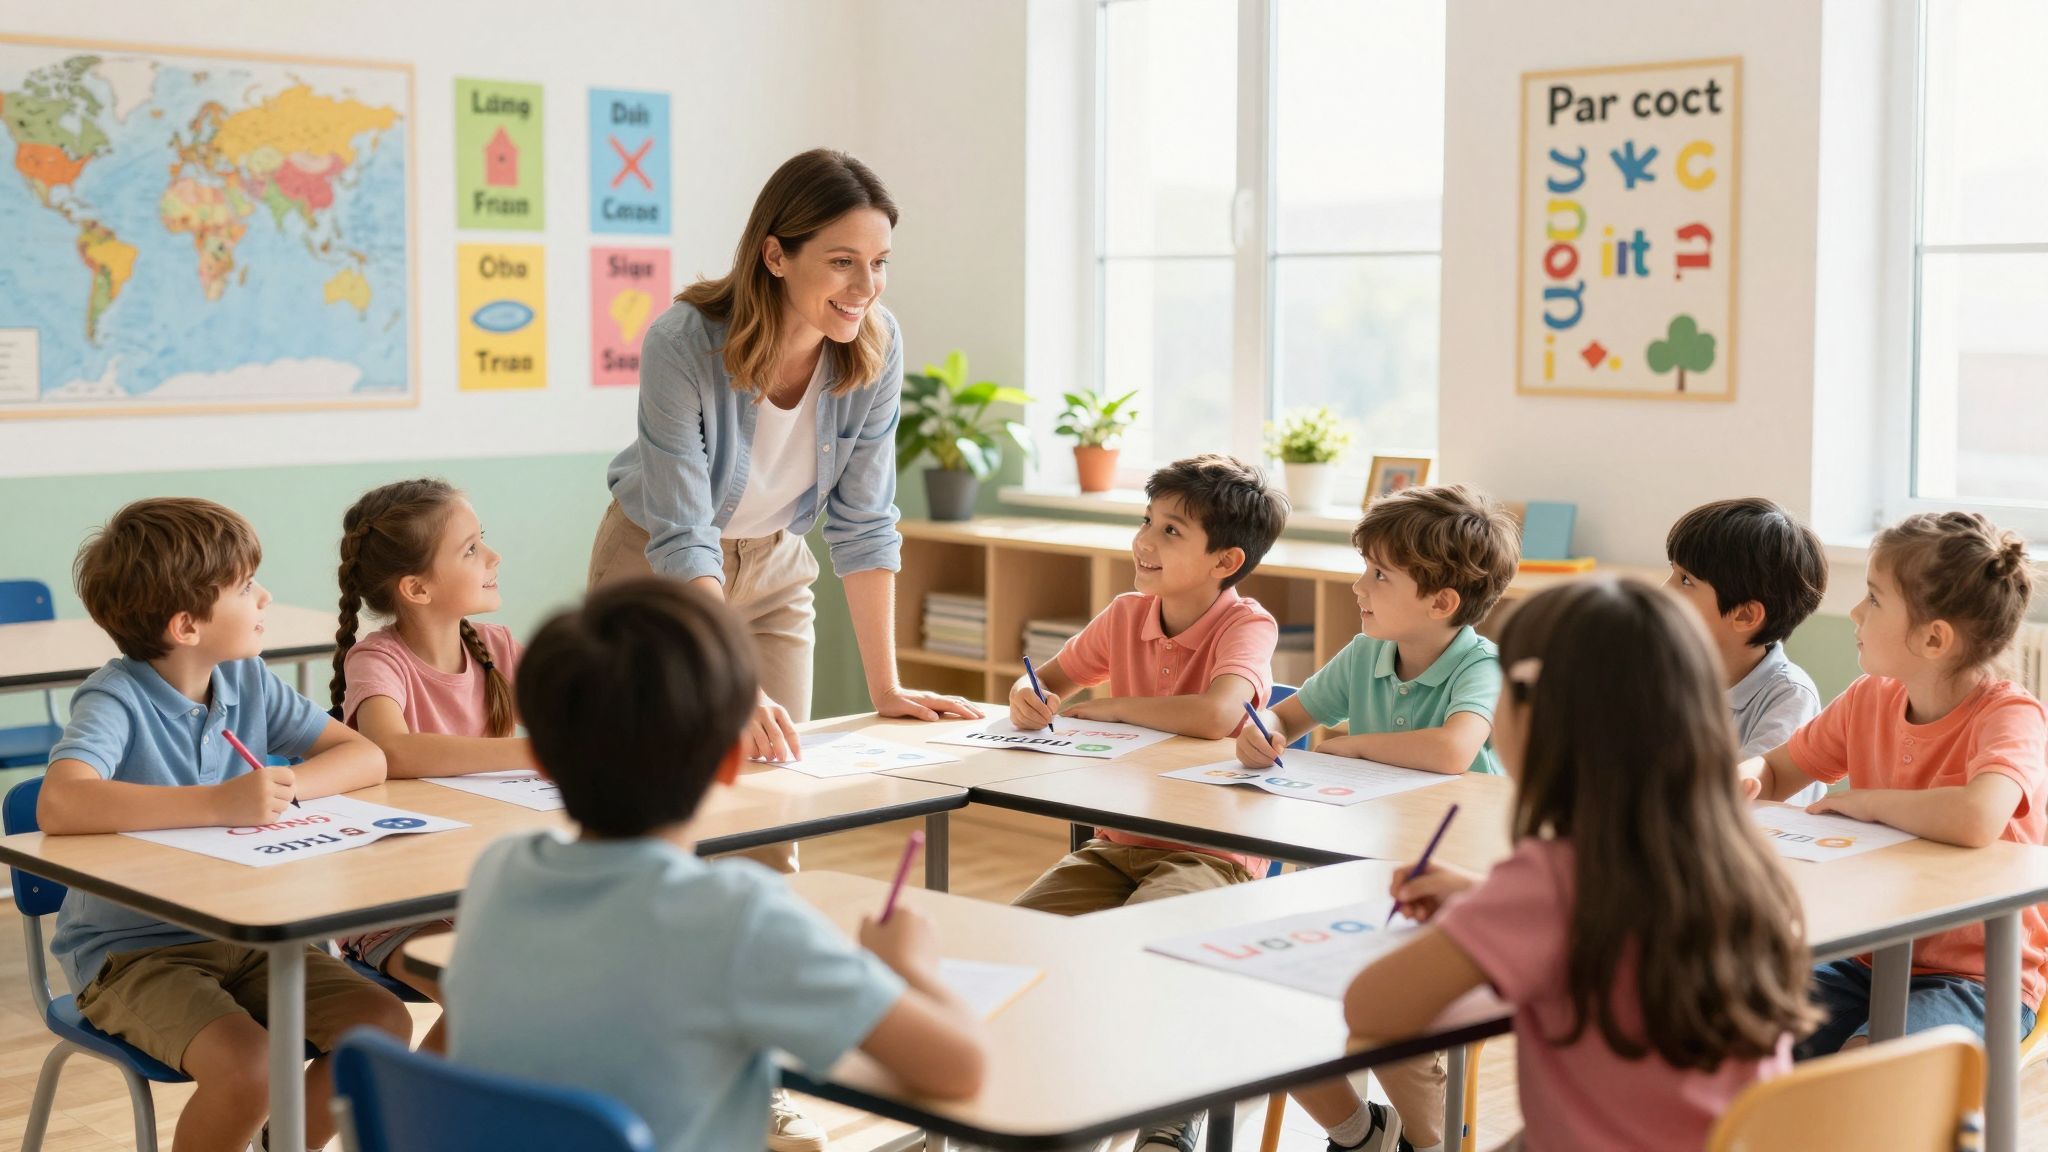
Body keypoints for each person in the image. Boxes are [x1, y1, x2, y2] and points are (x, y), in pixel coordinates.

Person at [445, 578, 986, 1152]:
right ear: (732, 761)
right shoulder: (737, 916)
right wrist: (908, 965)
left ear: (544, 760)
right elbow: (961, 1067)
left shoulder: (498, 872)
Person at [1355, 578, 1814, 1151]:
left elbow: (1370, 1006)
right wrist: (1484, 900)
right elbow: (1610, 922)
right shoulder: (1741, 863)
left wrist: (1484, 918)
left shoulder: (1552, 879)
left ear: (1539, 711)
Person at [41, 498, 411, 1152]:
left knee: (379, 1024)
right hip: (135, 953)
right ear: (187, 625)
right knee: (251, 1070)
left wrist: (280, 790)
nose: (265, 596)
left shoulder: (244, 678)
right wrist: (220, 804)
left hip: (249, 933)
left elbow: (365, 754)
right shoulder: (116, 696)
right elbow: (61, 805)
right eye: (244, 586)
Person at [331, 477, 528, 1051]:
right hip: (393, 908)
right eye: (470, 549)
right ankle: (412, 1120)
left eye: (482, 540)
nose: (493, 556)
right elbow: (391, 751)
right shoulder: (378, 659)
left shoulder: (498, 647)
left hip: (479, 892)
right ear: (416, 588)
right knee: (490, 992)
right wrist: (537, 753)